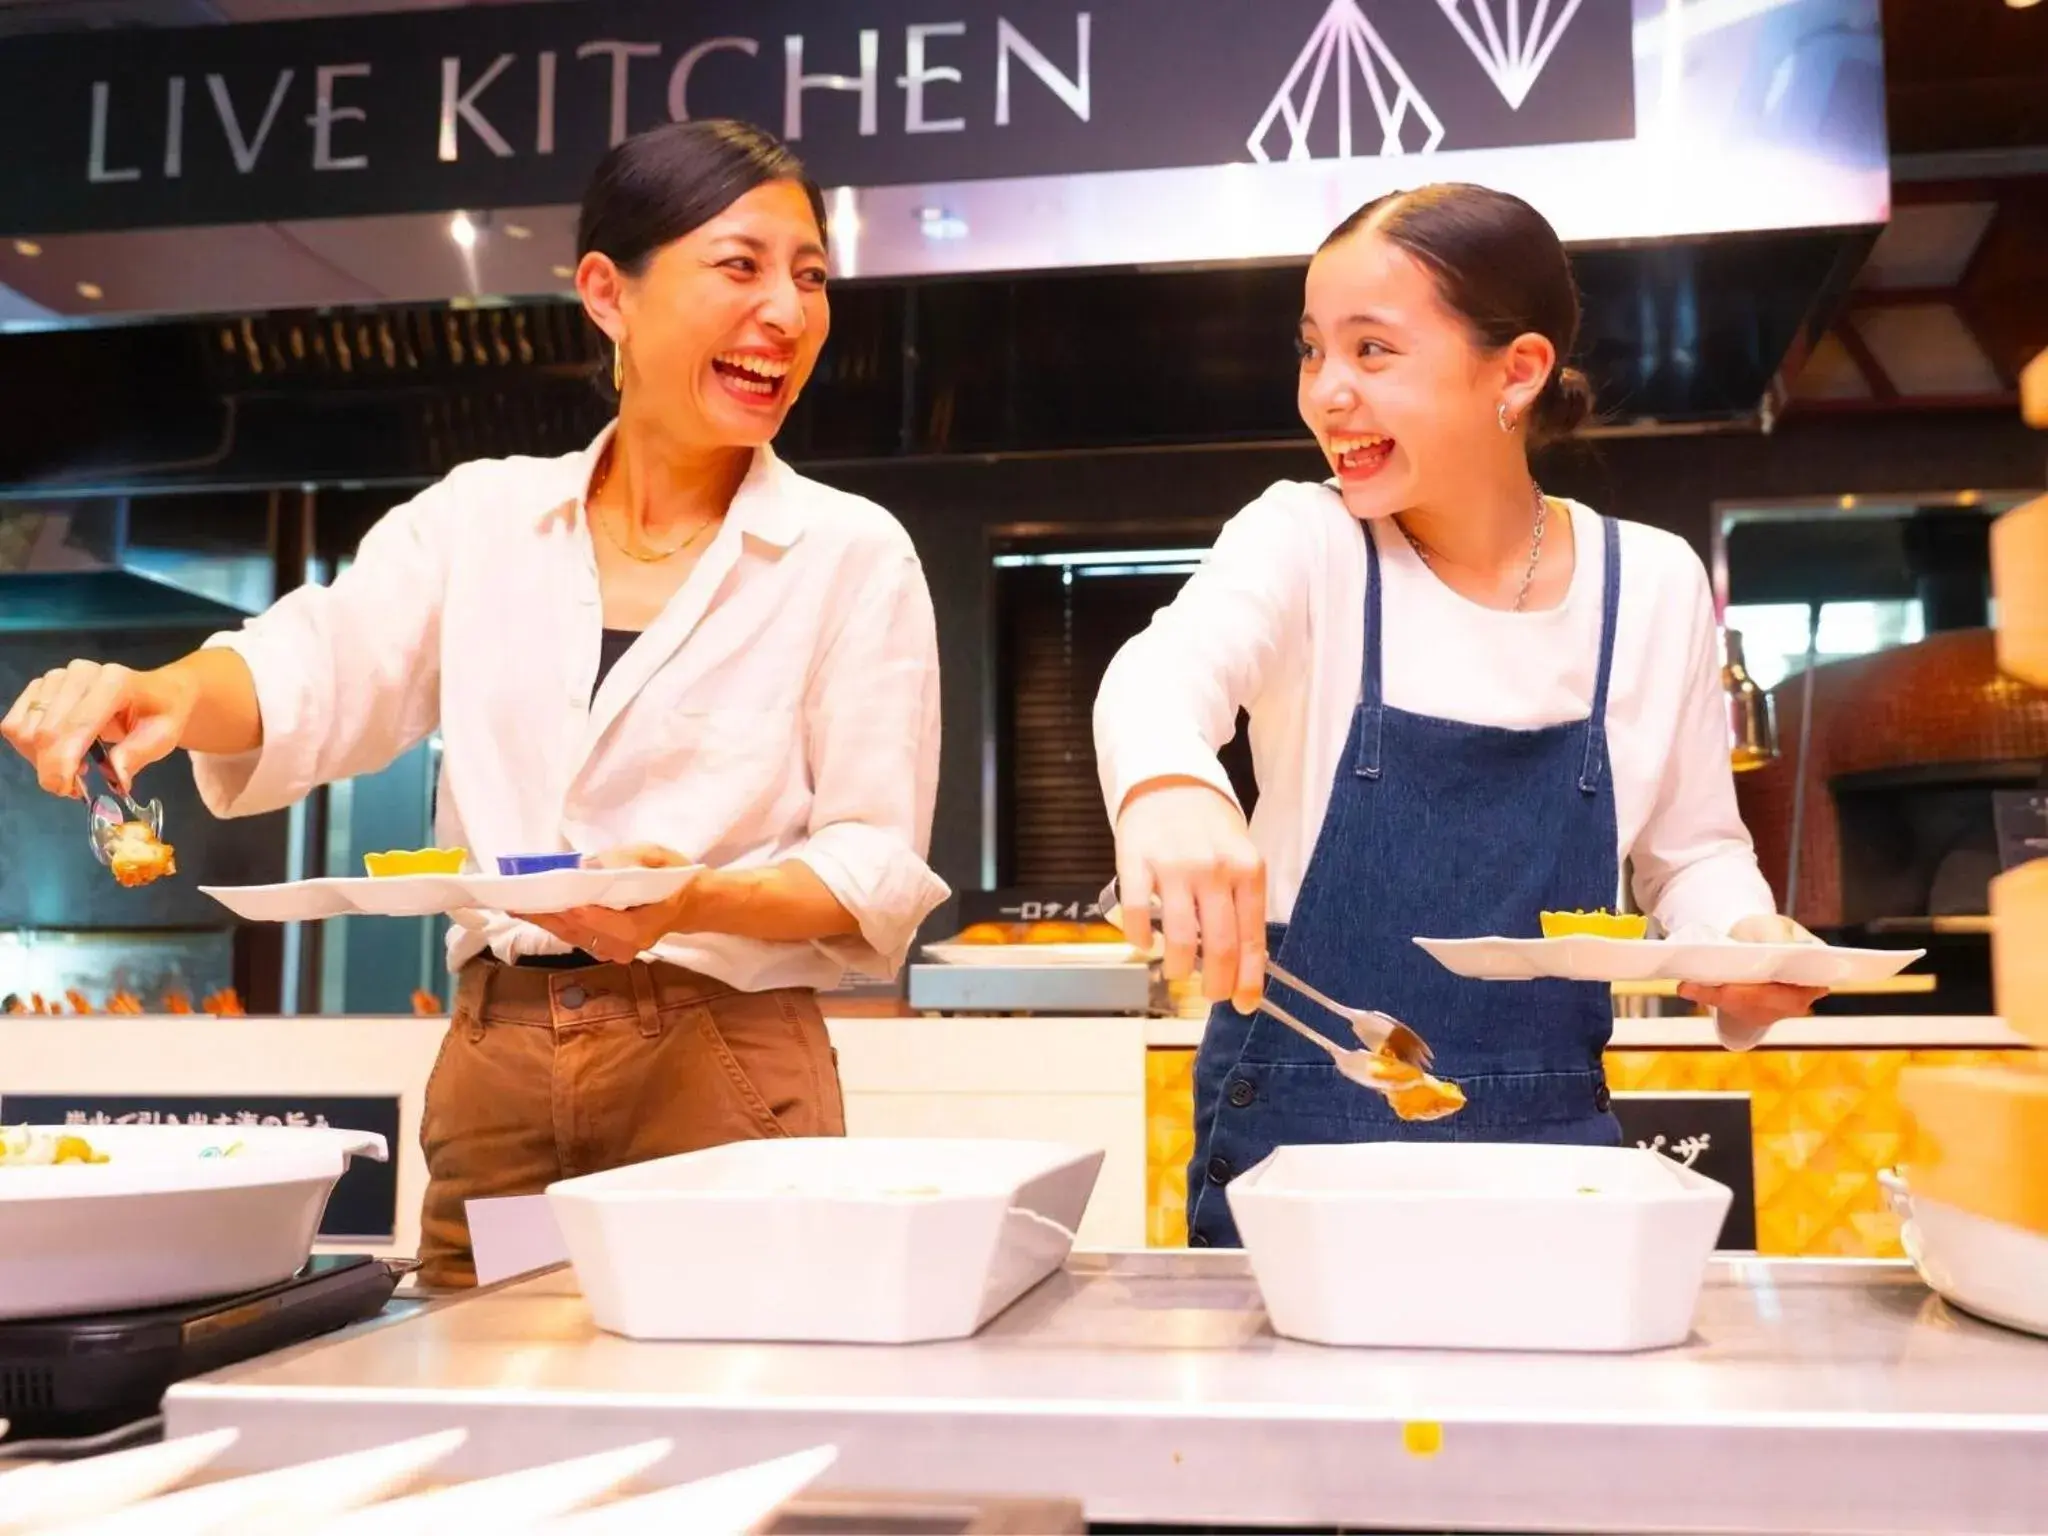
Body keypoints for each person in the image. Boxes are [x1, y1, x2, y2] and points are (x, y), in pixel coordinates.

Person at [1, 120, 948, 1285]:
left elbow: (872, 862)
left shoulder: (849, 552)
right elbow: (314, 669)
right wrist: (165, 691)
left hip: (721, 1064)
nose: (788, 314)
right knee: (486, 1374)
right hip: (500, 1058)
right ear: (607, 293)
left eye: (810, 277)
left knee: (722, 1371)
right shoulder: (481, 518)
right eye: (740, 266)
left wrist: (694, 898)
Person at [1094, 184, 1822, 1249]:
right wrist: (1169, 788)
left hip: (1552, 1151)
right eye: (1311, 351)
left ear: (1515, 371)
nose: (1327, 393)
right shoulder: (1308, 540)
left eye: (1372, 350)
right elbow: (1160, 673)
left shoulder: (1651, 582)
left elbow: (1694, 854)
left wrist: (1745, 949)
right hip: (1302, 1151)